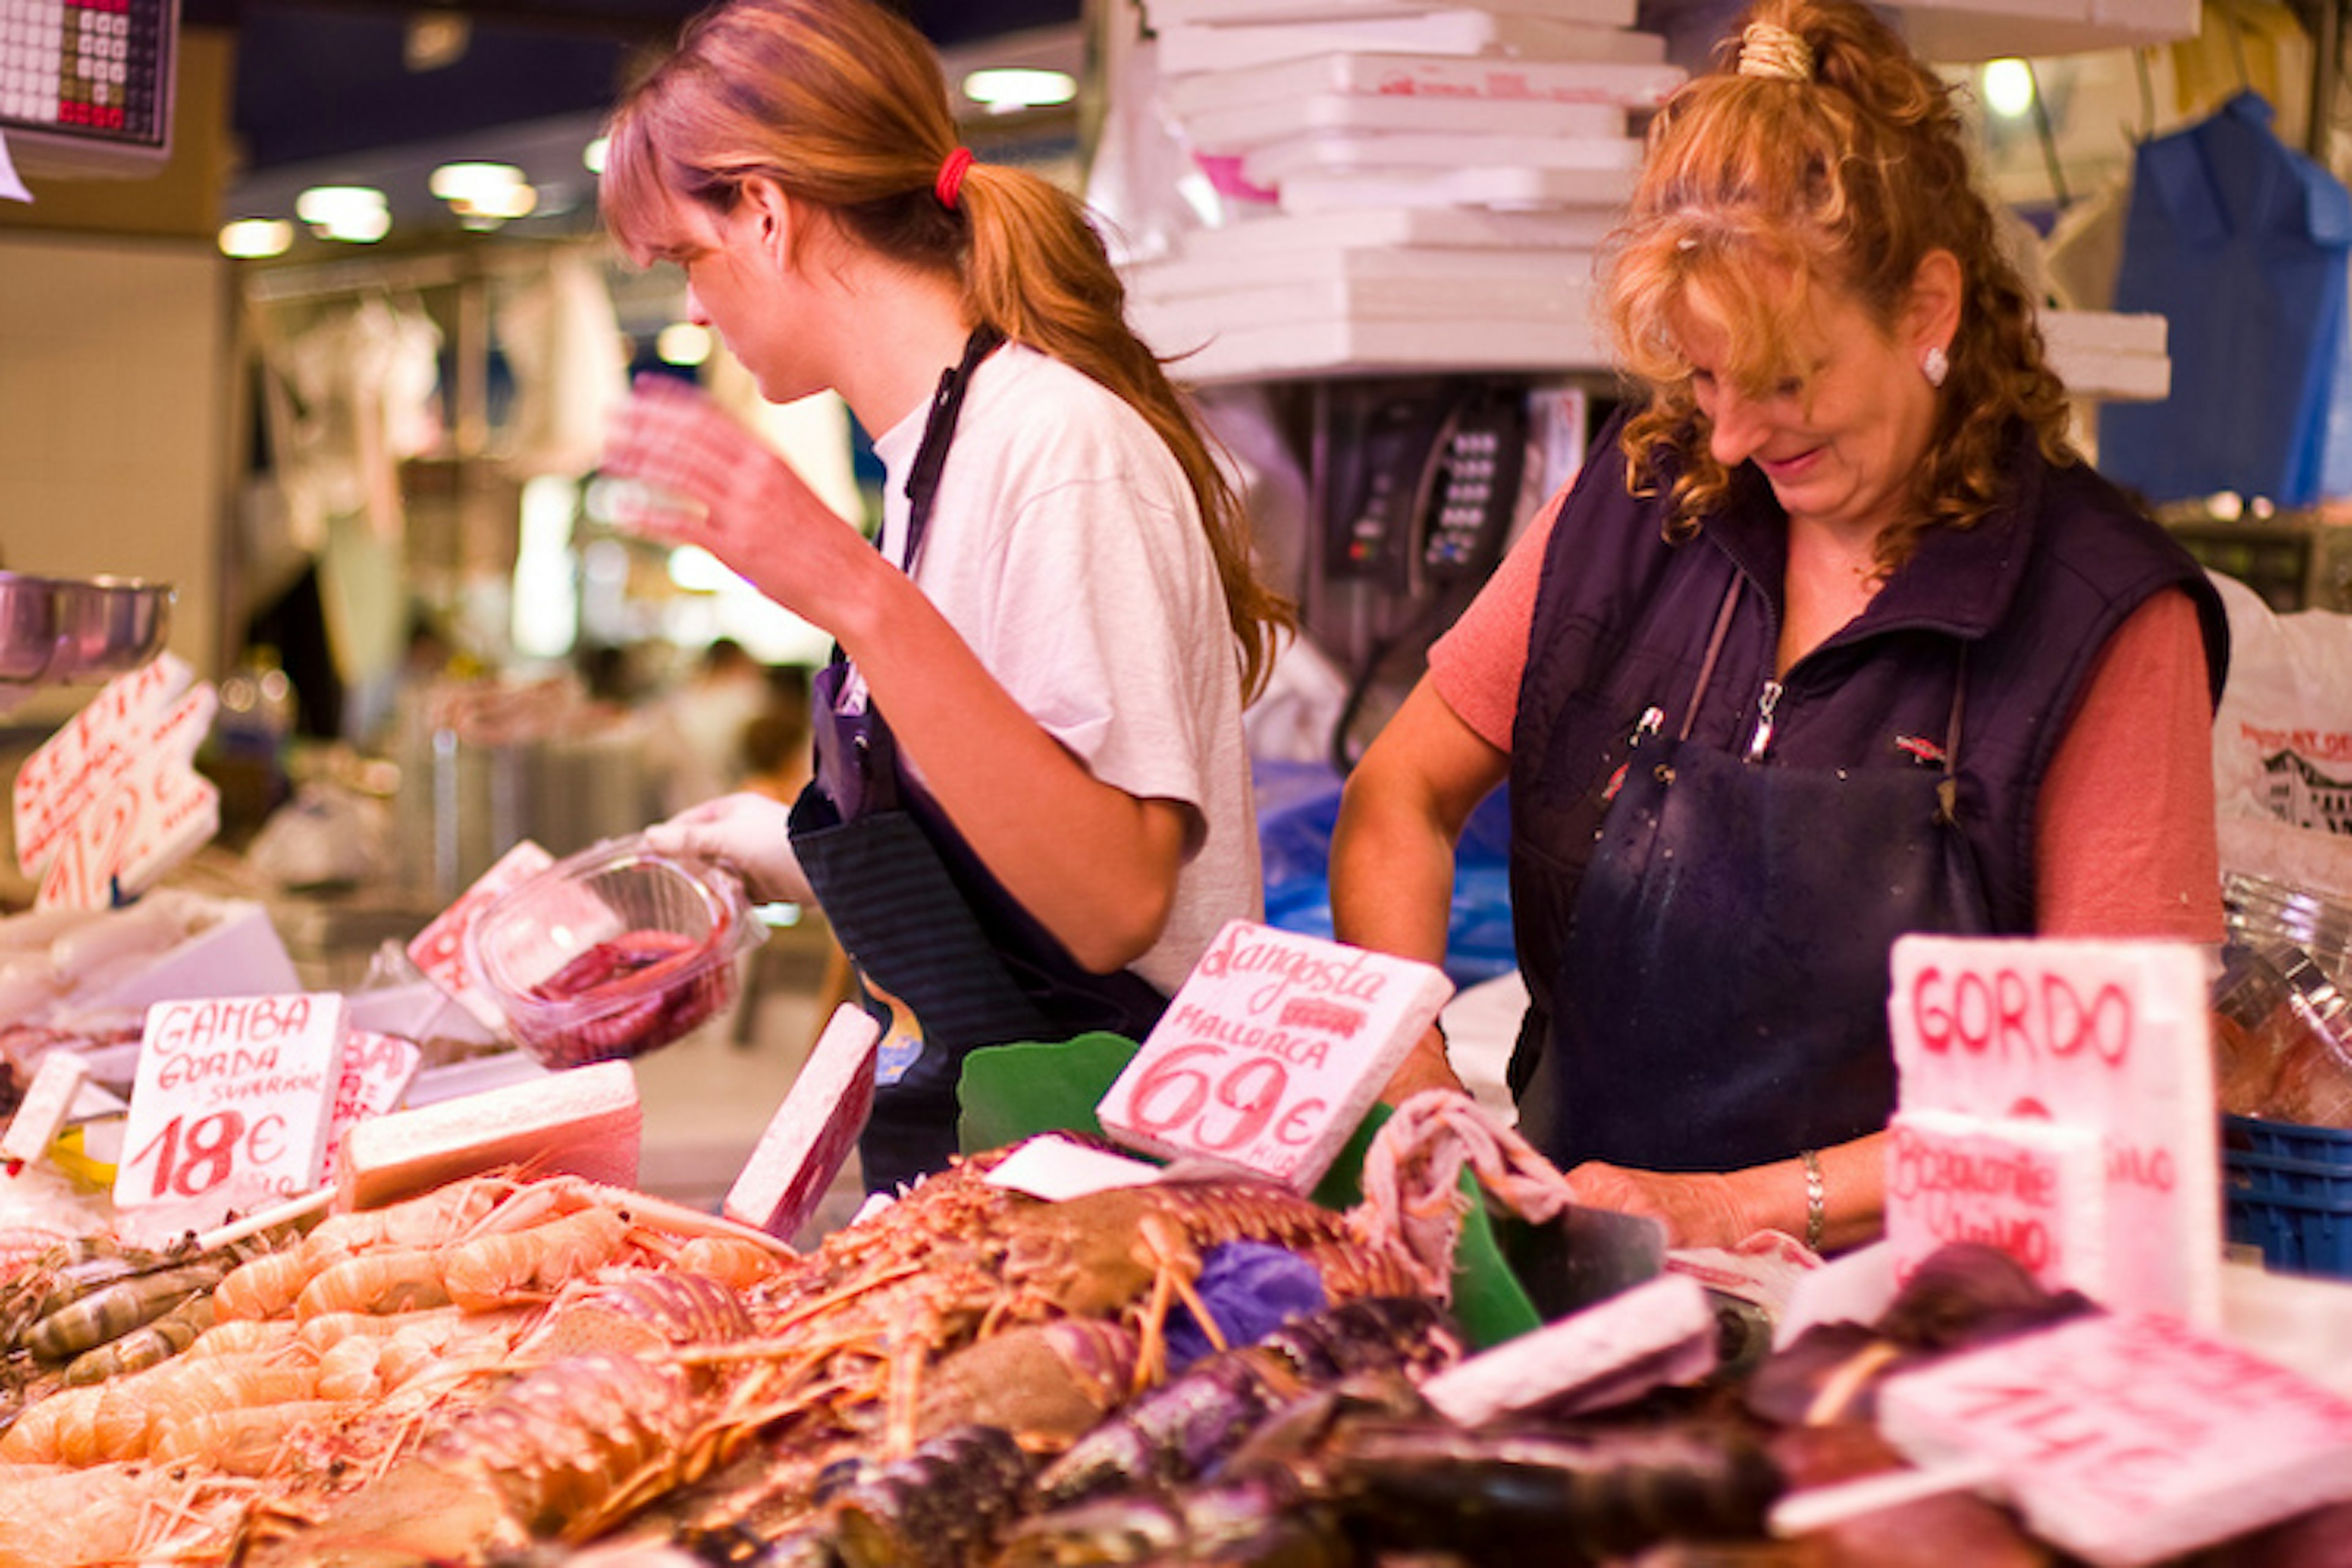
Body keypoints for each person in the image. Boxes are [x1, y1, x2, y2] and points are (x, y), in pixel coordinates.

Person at [1329, 0, 2228, 1254]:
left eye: (1790, 377)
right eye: (1706, 379)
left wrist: (1733, 1207)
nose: (1738, 437)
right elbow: (1399, 798)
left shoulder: (2099, 610)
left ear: (1927, 308)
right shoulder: (1646, 495)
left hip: (1913, 1310)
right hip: (1579, 1259)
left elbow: (2119, 1087)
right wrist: (1414, 1078)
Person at [593, 0, 1291, 1192]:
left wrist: (854, 594)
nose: (694, 312)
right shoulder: (932, 465)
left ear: (764, 212)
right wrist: (783, 851)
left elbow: (1112, 903)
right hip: (988, 1181)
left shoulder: (1056, 448)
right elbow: (1001, 829)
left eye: (689, 263)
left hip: (1126, 1204)